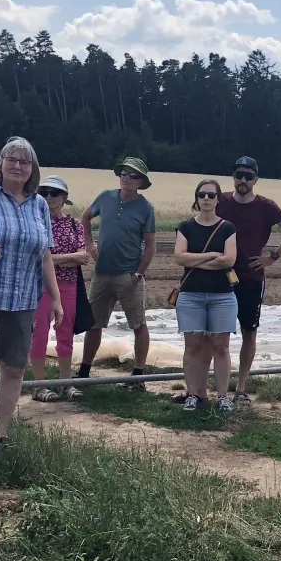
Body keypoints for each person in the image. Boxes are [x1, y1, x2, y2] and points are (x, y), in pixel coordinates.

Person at [0, 137, 62, 451]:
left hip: (22, 301)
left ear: (33, 169)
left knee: (14, 368)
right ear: (0, 163)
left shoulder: (39, 205)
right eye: (12, 159)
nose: (18, 166)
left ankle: (0, 435)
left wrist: (55, 297)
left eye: (25, 161)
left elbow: (44, 254)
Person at [216, 156, 281, 403]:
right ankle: (211, 387)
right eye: (239, 175)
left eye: (248, 176)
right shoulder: (220, 201)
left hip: (252, 278)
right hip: (220, 277)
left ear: (255, 180)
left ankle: (241, 388)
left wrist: (273, 256)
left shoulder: (267, 206)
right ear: (233, 176)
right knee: (216, 334)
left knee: (248, 333)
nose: (243, 180)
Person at [79, 157, 156, 388]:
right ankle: (84, 371)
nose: (127, 178)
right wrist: (89, 243)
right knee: (94, 323)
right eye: (124, 173)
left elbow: (151, 246)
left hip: (129, 275)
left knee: (138, 324)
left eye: (133, 175)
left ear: (140, 181)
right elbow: (85, 217)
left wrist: (139, 274)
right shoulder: (105, 197)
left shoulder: (146, 208)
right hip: (101, 272)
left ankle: (138, 376)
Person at [174, 180, 240, 414]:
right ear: (196, 198)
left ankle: (223, 396)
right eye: (202, 194)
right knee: (192, 346)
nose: (206, 199)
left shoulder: (227, 228)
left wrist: (197, 259)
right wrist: (212, 255)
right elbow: (179, 258)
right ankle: (193, 394)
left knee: (221, 346)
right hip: (191, 295)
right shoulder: (185, 226)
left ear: (218, 199)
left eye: (211, 195)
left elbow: (229, 260)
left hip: (222, 296)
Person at [31, 176, 94, 402]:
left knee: (65, 335)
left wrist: (52, 259)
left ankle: (65, 383)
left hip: (68, 285)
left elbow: (83, 258)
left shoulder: (75, 224)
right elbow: (37, 259)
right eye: (45, 192)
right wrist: (67, 258)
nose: (49, 197)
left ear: (64, 198)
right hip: (41, 286)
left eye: (54, 193)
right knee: (38, 335)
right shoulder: (35, 221)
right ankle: (39, 386)